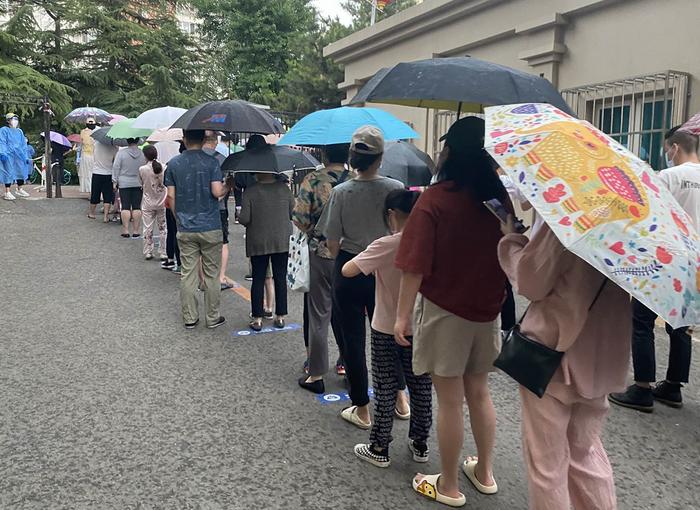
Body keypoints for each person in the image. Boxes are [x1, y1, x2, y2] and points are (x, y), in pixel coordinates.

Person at [394, 117, 505, 507]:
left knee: (450, 401)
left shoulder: (435, 199)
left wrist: (402, 316)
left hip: (445, 310)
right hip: (488, 310)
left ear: (451, 152)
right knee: (479, 392)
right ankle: (485, 472)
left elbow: (414, 264)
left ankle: (450, 486)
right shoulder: (499, 199)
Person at [499, 220, 631, 510]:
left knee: (547, 465)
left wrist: (511, 241)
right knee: (585, 454)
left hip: (554, 355)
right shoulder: (634, 226)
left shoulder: (569, 216)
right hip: (603, 356)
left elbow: (532, 281)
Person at [317, 125, 403, 429]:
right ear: (381, 158)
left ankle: (362, 408)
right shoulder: (396, 187)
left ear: (352, 158)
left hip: (350, 266)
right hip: (388, 267)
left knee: (352, 338)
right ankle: (400, 398)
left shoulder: (341, 192)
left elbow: (332, 242)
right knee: (392, 332)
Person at [609, 126, 699, 412]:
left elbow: (647, 211)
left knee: (642, 320)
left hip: (666, 257)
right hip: (695, 261)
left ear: (673, 147)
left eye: (667, 149)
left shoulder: (669, 176)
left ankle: (643, 388)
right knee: (680, 323)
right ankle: (673, 387)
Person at [342, 189, 433, 469]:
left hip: (385, 326)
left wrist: (370, 253)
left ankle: (379, 447)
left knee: (384, 385)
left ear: (392, 216)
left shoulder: (386, 244)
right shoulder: (429, 243)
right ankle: (420, 444)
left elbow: (348, 270)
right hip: (420, 327)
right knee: (421, 386)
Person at [294, 143, 352, 393]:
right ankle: (350, 367)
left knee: (319, 313)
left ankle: (316, 374)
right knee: (349, 316)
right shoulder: (356, 180)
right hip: (352, 256)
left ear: (325, 154)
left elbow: (300, 218)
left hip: (321, 252)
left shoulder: (313, 180)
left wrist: (313, 234)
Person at [164, 129, 232, 329]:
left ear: (184, 140)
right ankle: (212, 317)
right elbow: (216, 192)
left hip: (186, 226)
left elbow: (171, 197)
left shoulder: (173, 164)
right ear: (203, 140)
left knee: (188, 273)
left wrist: (178, 218)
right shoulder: (212, 163)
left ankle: (190, 317)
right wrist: (228, 185)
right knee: (212, 274)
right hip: (210, 225)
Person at [238, 169, 294, 331]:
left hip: (258, 241)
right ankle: (280, 316)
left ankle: (257, 319)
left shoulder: (250, 191)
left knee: (258, 278)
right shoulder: (284, 189)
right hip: (281, 240)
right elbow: (293, 212)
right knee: (280, 277)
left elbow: (244, 218)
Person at [202, 131, 235, 290]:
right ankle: (221, 277)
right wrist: (228, 185)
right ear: (215, 141)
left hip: (198, 208)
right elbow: (224, 186)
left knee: (200, 245)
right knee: (222, 242)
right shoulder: (221, 159)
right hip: (219, 208)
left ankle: (202, 279)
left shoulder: (193, 158)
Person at [112, 138, 146, 238]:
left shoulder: (121, 153)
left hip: (124, 182)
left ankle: (125, 230)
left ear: (127, 141)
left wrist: (114, 181)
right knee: (137, 207)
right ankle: (136, 231)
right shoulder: (142, 153)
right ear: (138, 141)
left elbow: (116, 167)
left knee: (125, 206)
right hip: (138, 182)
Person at [139, 145, 167, 261]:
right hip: (162, 201)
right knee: (163, 228)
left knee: (147, 227)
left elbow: (141, 183)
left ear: (145, 156)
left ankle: (148, 251)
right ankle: (163, 251)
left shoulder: (142, 169)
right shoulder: (164, 167)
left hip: (148, 201)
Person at [0, 113, 30, 200]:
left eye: (16, 119)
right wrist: (3, 153)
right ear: (8, 120)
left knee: (20, 171)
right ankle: (7, 191)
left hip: (19, 155)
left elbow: (23, 145)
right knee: (8, 172)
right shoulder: (4, 130)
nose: (15, 121)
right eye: (13, 119)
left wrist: (25, 156)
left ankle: (19, 189)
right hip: (8, 154)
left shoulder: (19, 131)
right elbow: (2, 142)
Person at [89, 139, 118, 222]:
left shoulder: (96, 144)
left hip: (97, 172)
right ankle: (106, 216)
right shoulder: (114, 147)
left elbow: (94, 156)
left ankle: (92, 213)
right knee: (107, 196)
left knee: (95, 193)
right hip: (108, 173)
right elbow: (115, 162)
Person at [78, 117, 97, 193]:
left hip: (93, 154)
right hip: (86, 154)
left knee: (91, 172)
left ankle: (92, 188)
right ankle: (89, 188)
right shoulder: (83, 132)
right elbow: (81, 143)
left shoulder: (97, 131)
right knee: (87, 172)